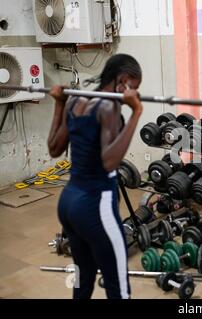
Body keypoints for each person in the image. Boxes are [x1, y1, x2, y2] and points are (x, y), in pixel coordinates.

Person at [47, 54, 143, 299]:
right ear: (122, 81)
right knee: (118, 288)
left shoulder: (76, 100)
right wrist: (136, 114)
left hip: (68, 205)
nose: (132, 92)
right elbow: (109, 162)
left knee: (82, 279)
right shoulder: (109, 107)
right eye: (133, 86)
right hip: (94, 206)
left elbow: (54, 148)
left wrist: (59, 103)